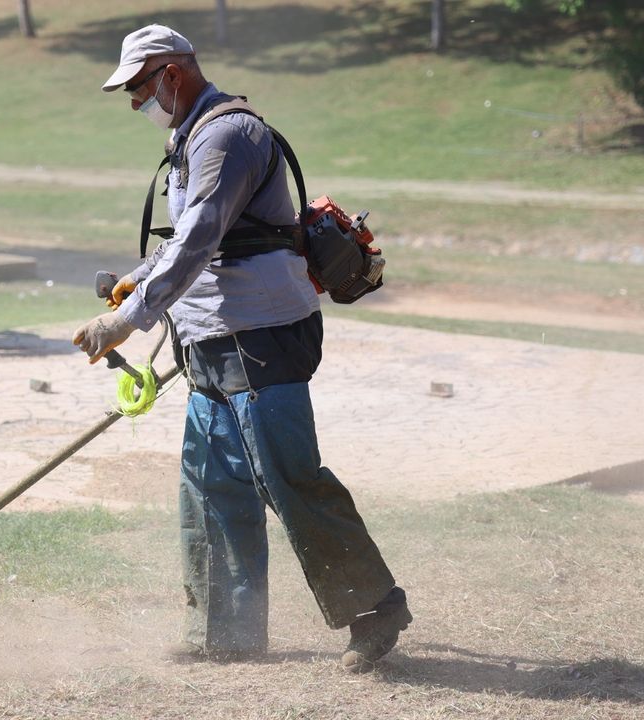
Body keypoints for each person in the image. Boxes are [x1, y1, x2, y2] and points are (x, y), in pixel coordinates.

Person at [72, 25, 411, 671]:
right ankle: (224, 632)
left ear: (172, 74)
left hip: (260, 335)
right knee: (212, 482)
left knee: (288, 477)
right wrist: (138, 279)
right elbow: (186, 241)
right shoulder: (192, 136)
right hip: (211, 337)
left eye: (138, 88)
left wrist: (129, 320)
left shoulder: (228, 135)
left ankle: (376, 609)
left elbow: (200, 236)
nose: (135, 102)